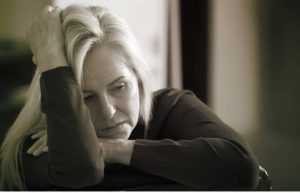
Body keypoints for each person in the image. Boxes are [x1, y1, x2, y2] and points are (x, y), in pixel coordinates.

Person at [0, 5, 260, 190]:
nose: (109, 111)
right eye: (86, 98)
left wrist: (115, 150)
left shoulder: (169, 107)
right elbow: (81, 172)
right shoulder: (38, 146)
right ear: (60, 94)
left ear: (139, 77)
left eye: (119, 87)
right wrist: (50, 58)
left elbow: (241, 168)